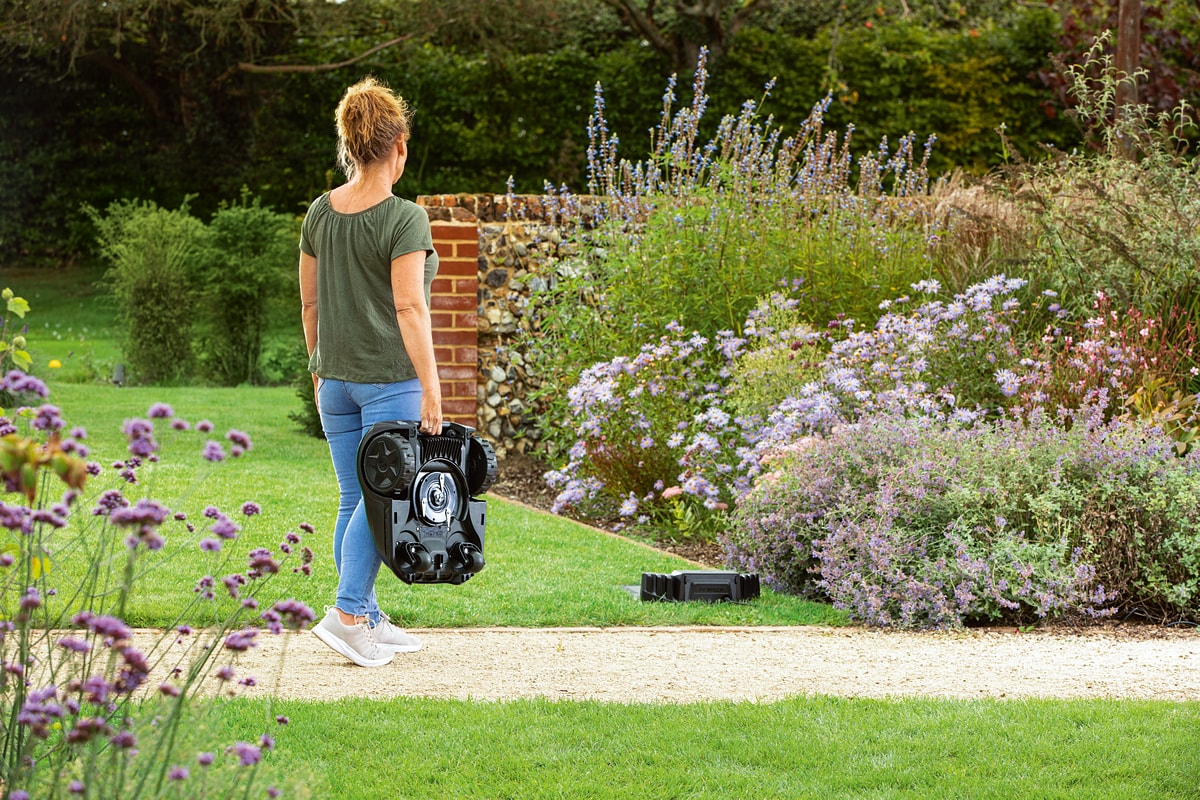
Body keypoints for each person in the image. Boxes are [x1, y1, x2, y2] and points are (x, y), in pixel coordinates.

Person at [299, 76, 442, 668]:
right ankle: (350, 611)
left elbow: (309, 304)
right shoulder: (405, 218)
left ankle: (368, 616)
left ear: (349, 145)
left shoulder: (318, 212)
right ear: (399, 146)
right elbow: (410, 306)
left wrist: (317, 367)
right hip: (390, 380)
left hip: (334, 380)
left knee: (354, 497)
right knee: (385, 498)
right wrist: (432, 386)